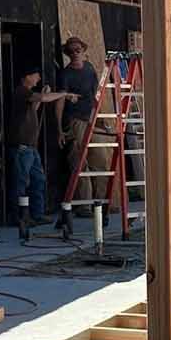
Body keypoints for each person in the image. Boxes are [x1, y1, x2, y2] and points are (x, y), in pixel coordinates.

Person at [8, 68, 73, 227]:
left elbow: (36, 106)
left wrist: (42, 96)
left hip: (31, 148)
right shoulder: (21, 91)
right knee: (21, 183)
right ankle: (20, 217)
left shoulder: (27, 95)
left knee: (38, 180)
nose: (38, 79)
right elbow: (43, 98)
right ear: (26, 76)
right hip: (22, 147)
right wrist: (63, 94)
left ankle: (36, 214)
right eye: (35, 75)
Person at [56, 37, 112, 218]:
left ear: (83, 50)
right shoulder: (66, 74)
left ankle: (101, 203)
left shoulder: (89, 69)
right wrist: (59, 129)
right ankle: (84, 206)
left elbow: (97, 95)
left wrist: (101, 117)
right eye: (71, 51)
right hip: (76, 121)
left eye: (77, 49)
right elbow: (60, 101)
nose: (75, 53)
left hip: (92, 119)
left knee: (101, 160)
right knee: (80, 163)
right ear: (68, 54)